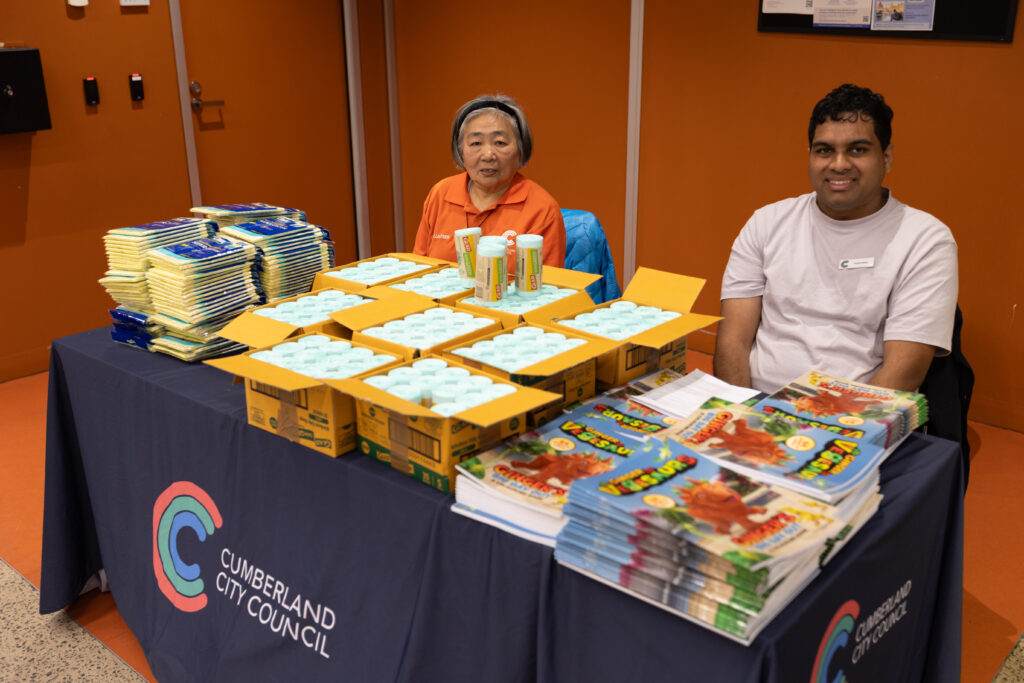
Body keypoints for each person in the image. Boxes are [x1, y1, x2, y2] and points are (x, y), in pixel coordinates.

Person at [714, 84, 958, 394]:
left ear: (886, 157)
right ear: (810, 156)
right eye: (825, 150)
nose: (839, 164)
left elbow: (903, 374)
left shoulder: (926, 241)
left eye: (857, 149)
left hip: (851, 417)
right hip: (754, 407)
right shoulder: (766, 223)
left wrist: (825, 424)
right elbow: (732, 342)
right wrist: (739, 413)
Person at [413, 94, 566, 266]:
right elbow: (419, 267)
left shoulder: (542, 209)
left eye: (500, 143)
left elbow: (546, 281)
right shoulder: (440, 194)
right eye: (476, 143)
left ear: (521, 149)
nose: (487, 155)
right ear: (460, 150)